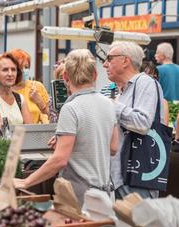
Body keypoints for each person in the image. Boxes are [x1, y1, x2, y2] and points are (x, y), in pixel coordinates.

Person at [14, 49, 118, 204]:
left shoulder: (70, 108)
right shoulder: (109, 103)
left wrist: (25, 182)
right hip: (105, 194)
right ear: (95, 75)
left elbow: (60, 160)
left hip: (80, 196)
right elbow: (113, 147)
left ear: (65, 77)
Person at [103, 41, 165, 199]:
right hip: (121, 177)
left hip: (137, 178)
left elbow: (143, 123)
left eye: (109, 58)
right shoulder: (122, 91)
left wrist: (111, 106)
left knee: (138, 223)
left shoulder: (146, 83)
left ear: (125, 60)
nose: (104, 64)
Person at [0, 53, 31, 126]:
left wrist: (17, 136)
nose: (10, 74)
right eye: (5, 70)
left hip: (19, 137)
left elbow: (29, 129)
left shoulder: (20, 99)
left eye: (13, 70)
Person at [10, 49, 50, 124]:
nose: (24, 70)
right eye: (20, 67)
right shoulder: (6, 90)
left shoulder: (37, 87)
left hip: (37, 134)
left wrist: (40, 103)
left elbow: (52, 116)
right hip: (15, 134)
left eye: (26, 67)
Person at [141, 60, 169, 125]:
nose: (153, 80)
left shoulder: (162, 102)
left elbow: (164, 127)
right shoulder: (130, 97)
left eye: (155, 77)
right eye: (148, 76)